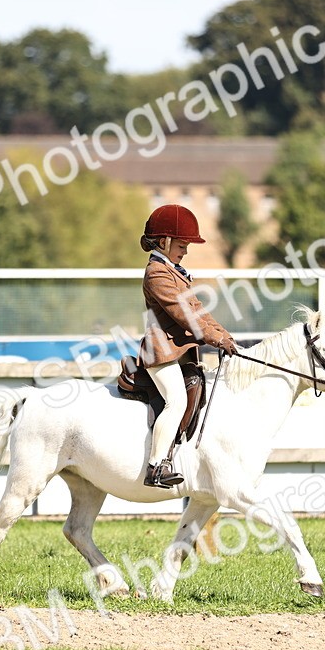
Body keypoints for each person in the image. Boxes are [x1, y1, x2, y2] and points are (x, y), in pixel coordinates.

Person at [136, 204, 237, 488]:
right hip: (161, 353)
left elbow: (197, 310)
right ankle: (156, 467)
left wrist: (224, 334)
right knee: (176, 400)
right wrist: (213, 338)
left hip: (178, 352)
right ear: (164, 242)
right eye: (182, 245)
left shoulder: (176, 272)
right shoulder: (156, 274)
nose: (186, 251)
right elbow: (184, 315)